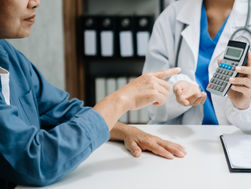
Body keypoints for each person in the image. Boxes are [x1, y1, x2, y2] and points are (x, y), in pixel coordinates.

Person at [0, 0, 186, 187]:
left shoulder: (9, 55)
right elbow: (34, 162)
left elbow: (60, 111)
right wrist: (121, 100)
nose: (35, 3)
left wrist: (125, 131)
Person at [143, 0, 251, 132]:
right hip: (181, 144)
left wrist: (247, 103)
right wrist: (176, 92)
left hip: (243, 144)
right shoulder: (170, 18)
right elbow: (149, 103)